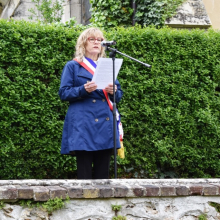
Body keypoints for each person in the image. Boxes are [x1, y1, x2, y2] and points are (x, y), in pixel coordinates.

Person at [58, 27, 123, 179]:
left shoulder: (108, 65)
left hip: (104, 123)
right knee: (84, 175)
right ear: (83, 43)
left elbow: (119, 96)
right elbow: (63, 93)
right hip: (83, 123)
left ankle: (104, 203)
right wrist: (83, 89)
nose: (97, 42)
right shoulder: (73, 66)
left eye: (100, 40)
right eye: (92, 39)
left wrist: (114, 92)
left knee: (103, 175)